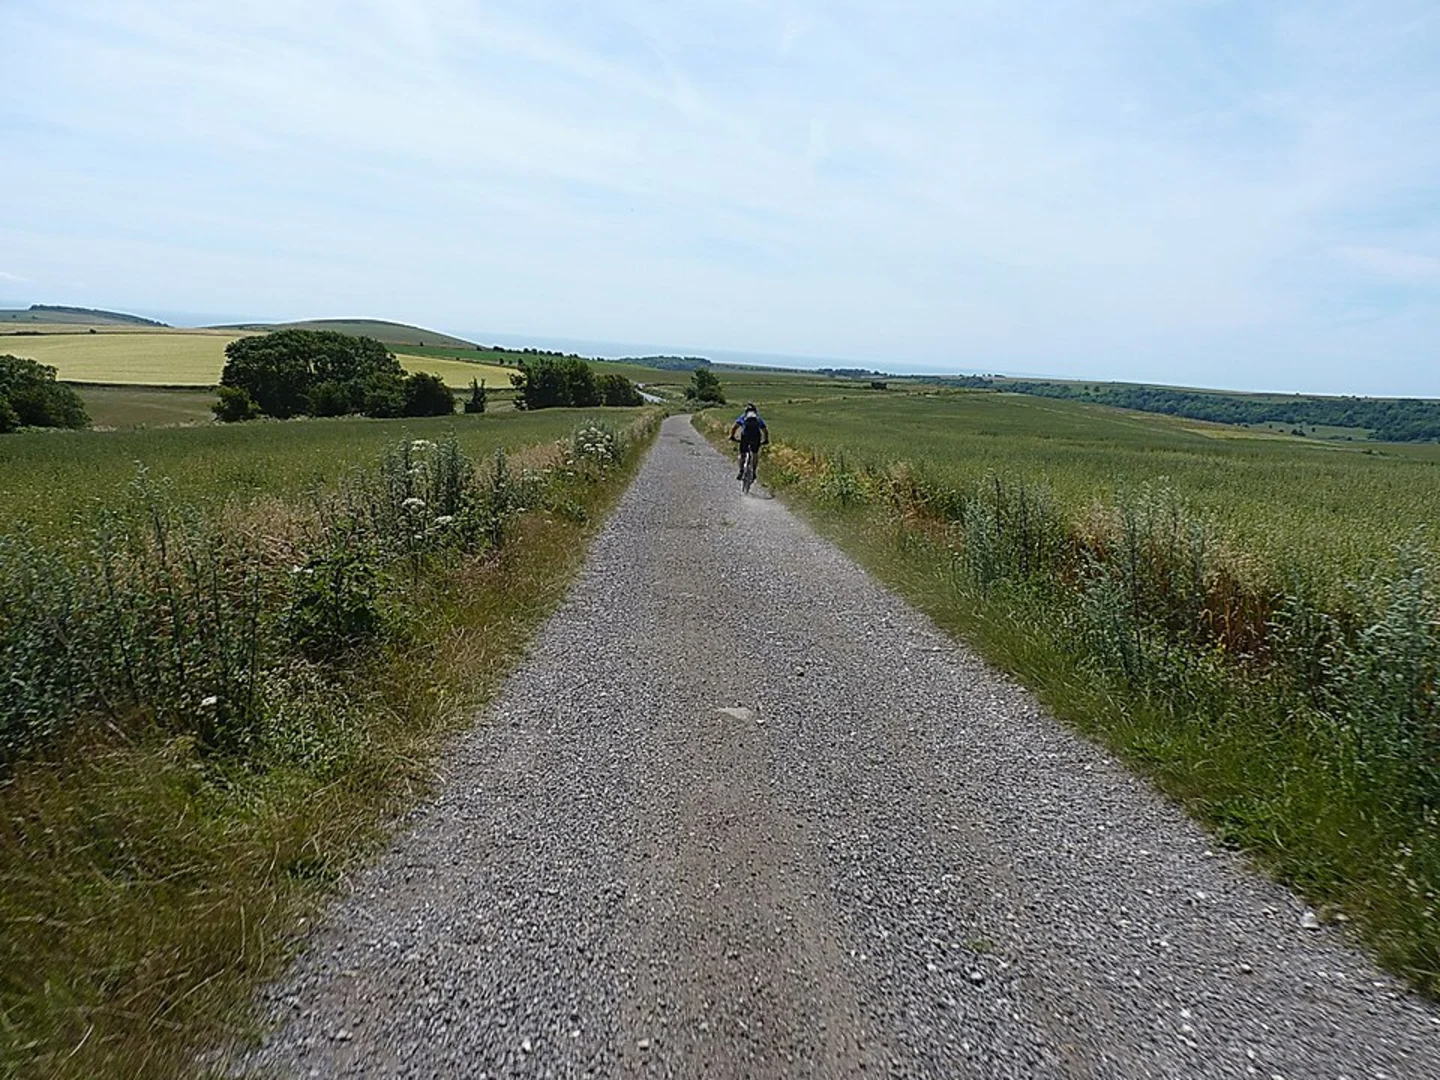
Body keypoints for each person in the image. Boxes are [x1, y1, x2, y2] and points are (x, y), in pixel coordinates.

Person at [728, 402, 769, 480]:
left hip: (745, 437)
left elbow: (734, 427)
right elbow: (765, 430)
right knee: (755, 454)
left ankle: (741, 471)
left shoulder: (743, 417)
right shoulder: (758, 418)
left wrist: (732, 436)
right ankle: (753, 472)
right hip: (756, 437)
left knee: (742, 454)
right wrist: (766, 440)